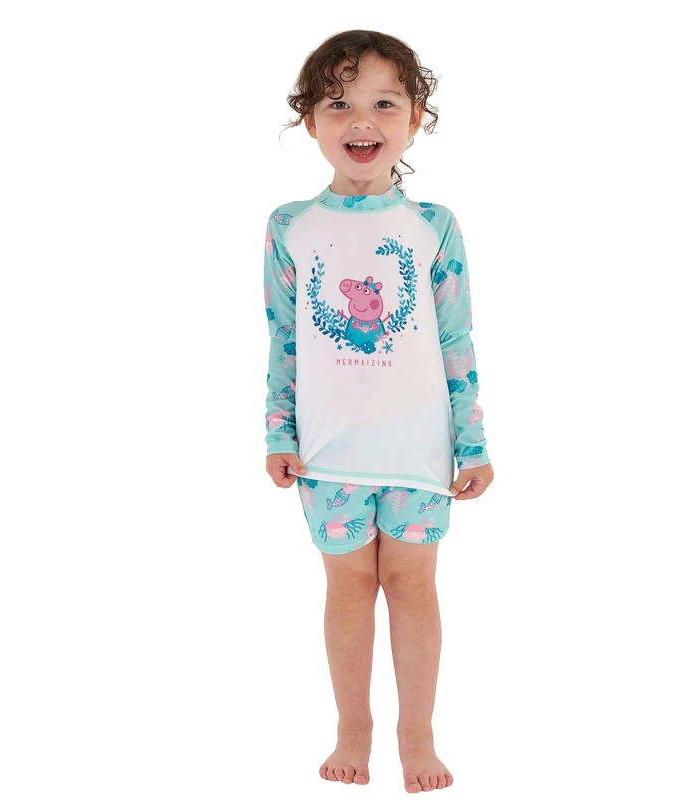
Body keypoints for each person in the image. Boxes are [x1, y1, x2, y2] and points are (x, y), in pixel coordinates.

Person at [262, 29, 494, 793]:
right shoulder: (290, 226)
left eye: (383, 104)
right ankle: (352, 729)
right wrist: (278, 432)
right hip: (327, 455)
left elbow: (456, 339)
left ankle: (416, 736)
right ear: (311, 121)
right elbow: (284, 339)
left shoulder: (434, 227)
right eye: (338, 104)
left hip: (420, 454)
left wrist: (473, 444)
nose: (360, 121)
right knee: (349, 589)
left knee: (414, 587)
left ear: (415, 118)